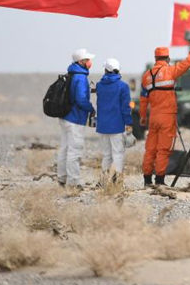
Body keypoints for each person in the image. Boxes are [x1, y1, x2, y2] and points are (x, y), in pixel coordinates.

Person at [140, 32, 190, 186]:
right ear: (167, 59)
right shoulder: (170, 71)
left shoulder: (146, 76)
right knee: (164, 149)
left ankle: (147, 179)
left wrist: (143, 117)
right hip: (167, 116)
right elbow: (188, 62)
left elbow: (143, 100)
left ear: (156, 59)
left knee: (150, 149)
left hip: (153, 117)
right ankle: (159, 180)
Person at [57, 48, 96, 190]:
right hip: (75, 119)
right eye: (87, 60)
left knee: (65, 148)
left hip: (65, 117)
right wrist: (91, 108)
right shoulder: (80, 77)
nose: (90, 62)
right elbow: (80, 99)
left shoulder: (71, 74)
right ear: (81, 61)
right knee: (74, 150)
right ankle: (74, 182)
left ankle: (62, 178)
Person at [95, 58, 133, 183]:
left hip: (102, 125)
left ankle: (104, 180)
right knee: (118, 154)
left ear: (105, 69)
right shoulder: (123, 86)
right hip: (117, 126)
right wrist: (129, 124)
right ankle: (116, 181)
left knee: (106, 155)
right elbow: (125, 108)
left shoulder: (99, 86)